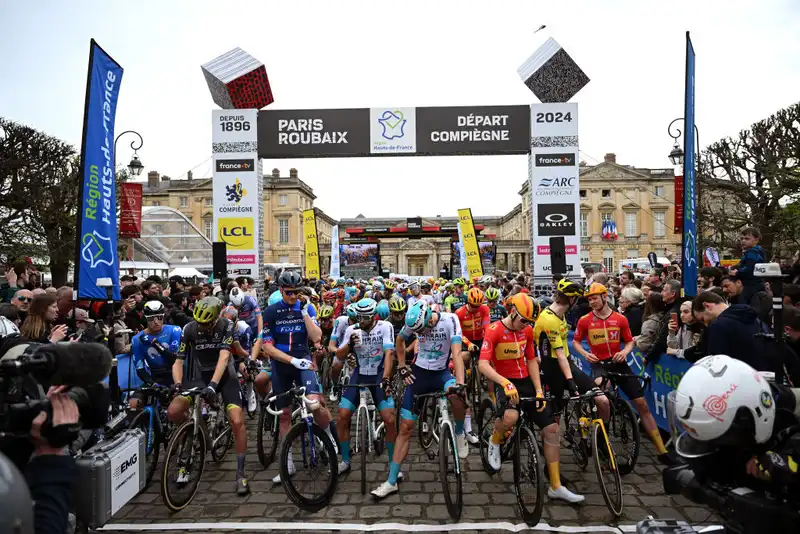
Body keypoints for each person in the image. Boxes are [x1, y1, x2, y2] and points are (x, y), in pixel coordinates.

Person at [479, 294, 584, 503]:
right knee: (510, 417)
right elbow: (482, 364)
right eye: (524, 320)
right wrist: (504, 383)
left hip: (526, 380)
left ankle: (556, 486)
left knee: (552, 429)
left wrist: (538, 390)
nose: (526, 325)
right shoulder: (494, 330)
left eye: (529, 322)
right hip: (505, 380)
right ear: (513, 312)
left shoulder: (526, 330)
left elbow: (531, 360)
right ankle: (494, 441)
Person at [371, 301, 466, 499]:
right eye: (418, 332)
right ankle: (391, 481)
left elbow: (456, 353)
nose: (422, 334)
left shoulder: (450, 320)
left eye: (423, 330)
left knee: (458, 396)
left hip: (441, 374)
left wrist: (460, 382)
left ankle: (459, 431)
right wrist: (402, 366)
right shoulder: (413, 321)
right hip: (419, 376)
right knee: (405, 427)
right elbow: (399, 341)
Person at [571, 282, 673, 465]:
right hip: (600, 365)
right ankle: (592, 437)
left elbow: (629, 341)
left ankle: (662, 449)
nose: (592, 302)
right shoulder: (585, 320)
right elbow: (577, 341)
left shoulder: (620, 319)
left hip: (619, 363)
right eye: (589, 299)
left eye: (594, 298)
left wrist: (624, 352)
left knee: (641, 404)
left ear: (604, 297)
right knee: (598, 398)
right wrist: (586, 354)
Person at [168, 296, 251, 496]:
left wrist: (214, 385)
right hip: (198, 377)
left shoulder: (227, 325)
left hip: (224, 378)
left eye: (206, 323)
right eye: (199, 322)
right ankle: (190, 433)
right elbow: (178, 361)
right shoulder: (189, 329)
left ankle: (240, 473)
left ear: (215, 319)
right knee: (174, 411)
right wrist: (178, 384)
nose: (202, 326)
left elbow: (224, 358)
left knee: (237, 421)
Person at [259, 270, 334, 484]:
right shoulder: (271, 312)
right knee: (284, 415)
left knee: (315, 404)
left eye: (297, 292)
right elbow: (267, 346)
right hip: (283, 365)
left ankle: (328, 441)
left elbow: (317, 337)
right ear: (281, 290)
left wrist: (303, 312)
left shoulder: (306, 307)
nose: (293, 296)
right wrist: (291, 361)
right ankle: (288, 463)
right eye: (289, 292)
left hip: (303, 360)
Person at [332, 298, 397, 475]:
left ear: (373, 316)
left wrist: (386, 378)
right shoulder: (352, 329)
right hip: (359, 374)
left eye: (365, 318)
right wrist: (350, 345)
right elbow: (340, 354)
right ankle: (345, 460)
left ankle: (393, 465)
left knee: (389, 419)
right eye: (359, 317)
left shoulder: (385, 327)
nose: (361, 321)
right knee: (342, 415)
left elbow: (389, 353)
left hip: (378, 374)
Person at [691, 290, 772, 372]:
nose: (705, 324)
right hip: (763, 378)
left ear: (707, 306)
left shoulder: (718, 326)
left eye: (703, 319)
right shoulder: (756, 319)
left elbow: (716, 367)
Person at [130, 300, 182, 409]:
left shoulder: (175, 330)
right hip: (155, 377)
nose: (156, 322)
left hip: (175, 375)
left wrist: (155, 343)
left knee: (176, 406)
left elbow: (174, 359)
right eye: (151, 319)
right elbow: (140, 369)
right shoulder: (137, 339)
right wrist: (153, 384)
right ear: (145, 319)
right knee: (133, 403)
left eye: (159, 318)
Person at [729, 227, 767, 304]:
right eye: (741, 239)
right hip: (755, 283)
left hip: (752, 284)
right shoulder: (751, 252)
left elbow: (750, 268)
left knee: (743, 300)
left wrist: (737, 272)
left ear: (756, 240)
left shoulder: (753, 252)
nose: (743, 241)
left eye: (747, 239)